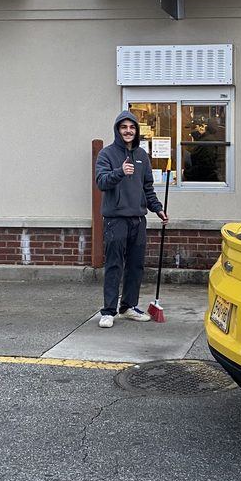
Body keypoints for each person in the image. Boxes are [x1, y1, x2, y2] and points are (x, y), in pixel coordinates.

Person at [94, 111, 168, 328]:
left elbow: (147, 188)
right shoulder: (107, 154)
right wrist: (120, 172)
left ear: (136, 130)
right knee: (114, 265)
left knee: (136, 266)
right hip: (115, 219)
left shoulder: (142, 155)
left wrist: (158, 209)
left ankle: (128, 307)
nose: (128, 131)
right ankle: (108, 311)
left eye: (132, 127)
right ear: (118, 130)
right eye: (124, 127)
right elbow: (101, 182)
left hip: (138, 219)